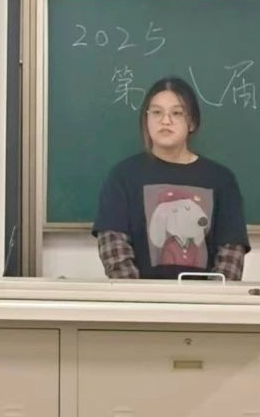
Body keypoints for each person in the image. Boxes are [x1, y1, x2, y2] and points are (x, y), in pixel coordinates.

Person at [92, 76, 250, 280]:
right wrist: (139, 296)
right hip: (140, 298)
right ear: (146, 119)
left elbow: (231, 254)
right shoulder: (122, 176)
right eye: (156, 112)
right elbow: (113, 249)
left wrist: (211, 296)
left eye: (177, 113)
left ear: (192, 122)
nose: (165, 121)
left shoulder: (221, 179)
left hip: (205, 298)